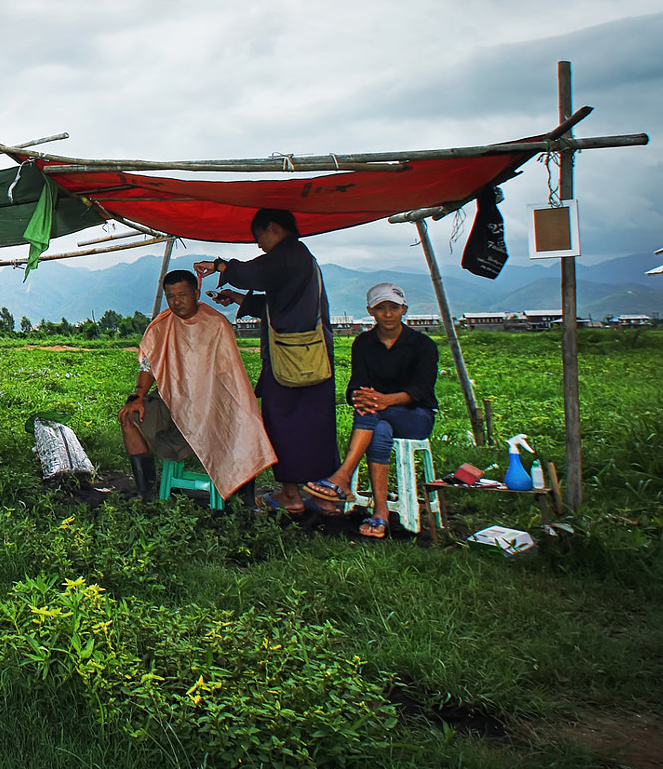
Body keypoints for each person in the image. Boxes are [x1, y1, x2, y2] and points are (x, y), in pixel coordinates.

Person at [196, 208, 339, 514]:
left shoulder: (288, 254)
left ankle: (292, 494)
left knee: (282, 424)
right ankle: (323, 495)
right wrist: (235, 296)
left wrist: (221, 266)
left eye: (258, 238)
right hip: (311, 356)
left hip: (291, 358)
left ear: (272, 228)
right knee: (315, 425)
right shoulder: (299, 259)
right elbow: (278, 305)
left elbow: (254, 274)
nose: (259, 245)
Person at [119, 270, 277, 502]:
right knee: (128, 417)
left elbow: (230, 377)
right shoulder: (161, 326)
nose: (176, 301)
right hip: (172, 403)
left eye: (182, 294)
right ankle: (146, 493)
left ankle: (246, 502)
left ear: (196, 293)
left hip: (213, 403)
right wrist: (138, 396)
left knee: (245, 422)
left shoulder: (216, 324)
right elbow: (147, 366)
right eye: (170, 296)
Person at [302, 284, 438, 538]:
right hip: (377, 415)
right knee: (379, 428)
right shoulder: (363, 343)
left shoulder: (422, 344)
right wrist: (361, 397)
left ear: (403, 310)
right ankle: (381, 512)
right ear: (370, 311)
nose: (388, 314)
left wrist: (385, 400)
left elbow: (421, 390)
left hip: (416, 417)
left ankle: (342, 476)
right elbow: (356, 385)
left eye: (393, 308)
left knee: (372, 412)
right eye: (380, 308)